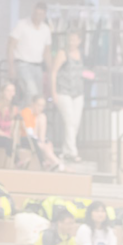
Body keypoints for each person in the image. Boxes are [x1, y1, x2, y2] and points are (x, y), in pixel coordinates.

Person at [51, 29, 86, 163]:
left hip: (78, 92)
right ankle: (72, 152)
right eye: (69, 39)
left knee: (75, 122)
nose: (71, 42)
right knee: (69, 120)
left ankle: (66, 150)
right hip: (63, 91)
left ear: (79, 41)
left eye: (74, 39)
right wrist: (53, 92)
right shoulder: (62, 53)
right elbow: (53, 72)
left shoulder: (80, 54)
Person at [8, 1, 53, 105]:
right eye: (36, 14)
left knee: (38, 96)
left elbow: (47, 52)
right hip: (23, 64)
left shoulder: (46, 29)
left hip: (37, 66)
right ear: (33, 11)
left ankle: (27, 116)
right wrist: (11, 66)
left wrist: (51, 70)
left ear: (44, 15)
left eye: (41, 15)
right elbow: (11, 45)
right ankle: (29, 120)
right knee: (32, 92)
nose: (38, 17)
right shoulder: (22, 24)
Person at [20, 95, 65, 171]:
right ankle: (56, 163)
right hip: (25, 139)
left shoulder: (38, 115)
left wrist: (43, 141)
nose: (40, 108)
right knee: (43, 145)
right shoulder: (26, 112)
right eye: (38, 105)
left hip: (35, 138)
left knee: (47, 144)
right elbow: (29, 132)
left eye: (42, 106)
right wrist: (40, 142)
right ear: (32, 104)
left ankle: (55, 163)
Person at [0, 82, 20, 161]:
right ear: (3, 92)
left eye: (12, 91)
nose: (11, 93)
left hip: (8, 137)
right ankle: (17, 161)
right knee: (7, 141)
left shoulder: (14, 109)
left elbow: (13, 128)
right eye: (8, 91)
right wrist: (5, 135)